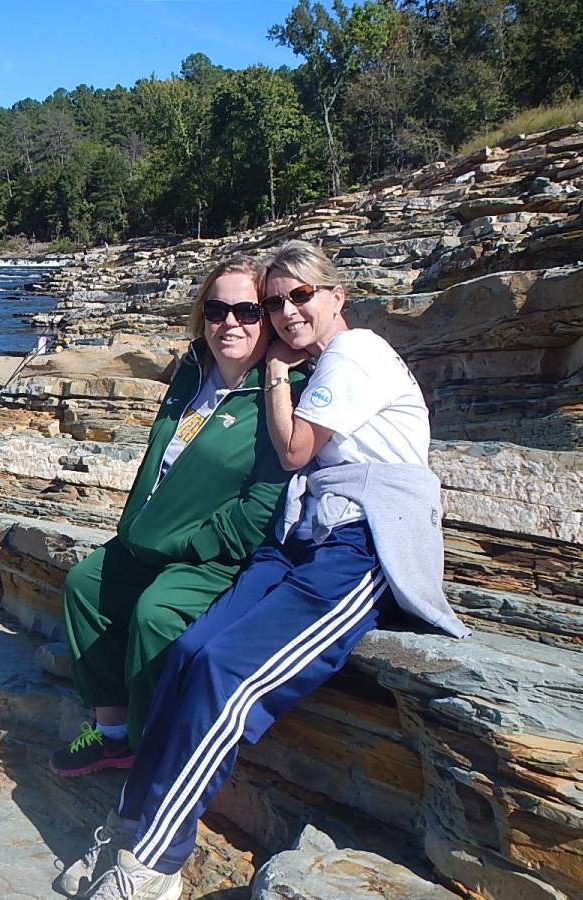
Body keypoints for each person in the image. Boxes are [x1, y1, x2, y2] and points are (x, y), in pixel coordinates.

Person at [63, 240, 468, 899]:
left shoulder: (355, 353)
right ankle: (130, 820)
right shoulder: (315, 362)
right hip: (304, 534)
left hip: (363, 543)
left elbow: (294, 450)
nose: (285, 312)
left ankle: (154, 865)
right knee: (188, 653)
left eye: (296, 297)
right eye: (275, 302)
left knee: (225, 673)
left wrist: (275, 367)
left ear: (337, 294)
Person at [51, 254, 303, 790]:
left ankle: (155, 759)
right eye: (216, 310)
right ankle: (112, 735)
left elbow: (263, 504)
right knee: (85, 585)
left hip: (214, 556)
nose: (229, 323)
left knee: (155, 614)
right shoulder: (192, 370)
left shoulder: (280, 392)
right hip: (148, 538)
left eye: (247, 311)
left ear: (268, 318)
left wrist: (186, 545)